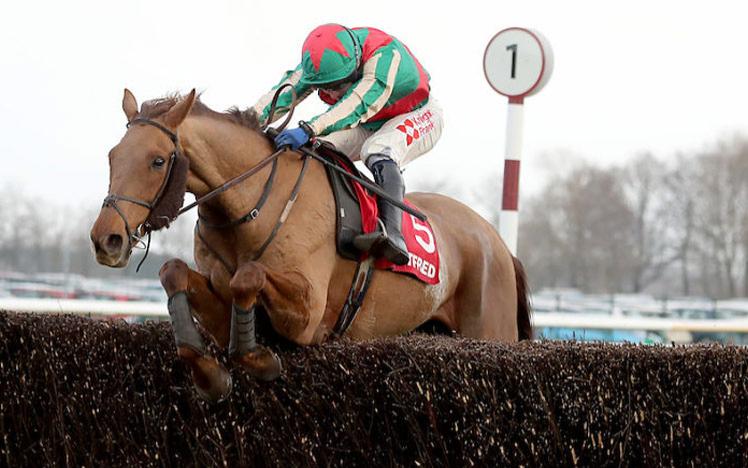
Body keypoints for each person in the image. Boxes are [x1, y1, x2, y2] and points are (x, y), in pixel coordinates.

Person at [252, 24, 444, 266]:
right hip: (369, 120)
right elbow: (280, 96)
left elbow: (355, 105)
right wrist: (245, 121)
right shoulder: (317, 62)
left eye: (338, 85)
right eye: (326, 87)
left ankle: (393, 234)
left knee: (376, 150)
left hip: (415, 113)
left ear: (354, 66)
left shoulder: (384, 57)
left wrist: (308, 128)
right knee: (316, 148)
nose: (333, 92)